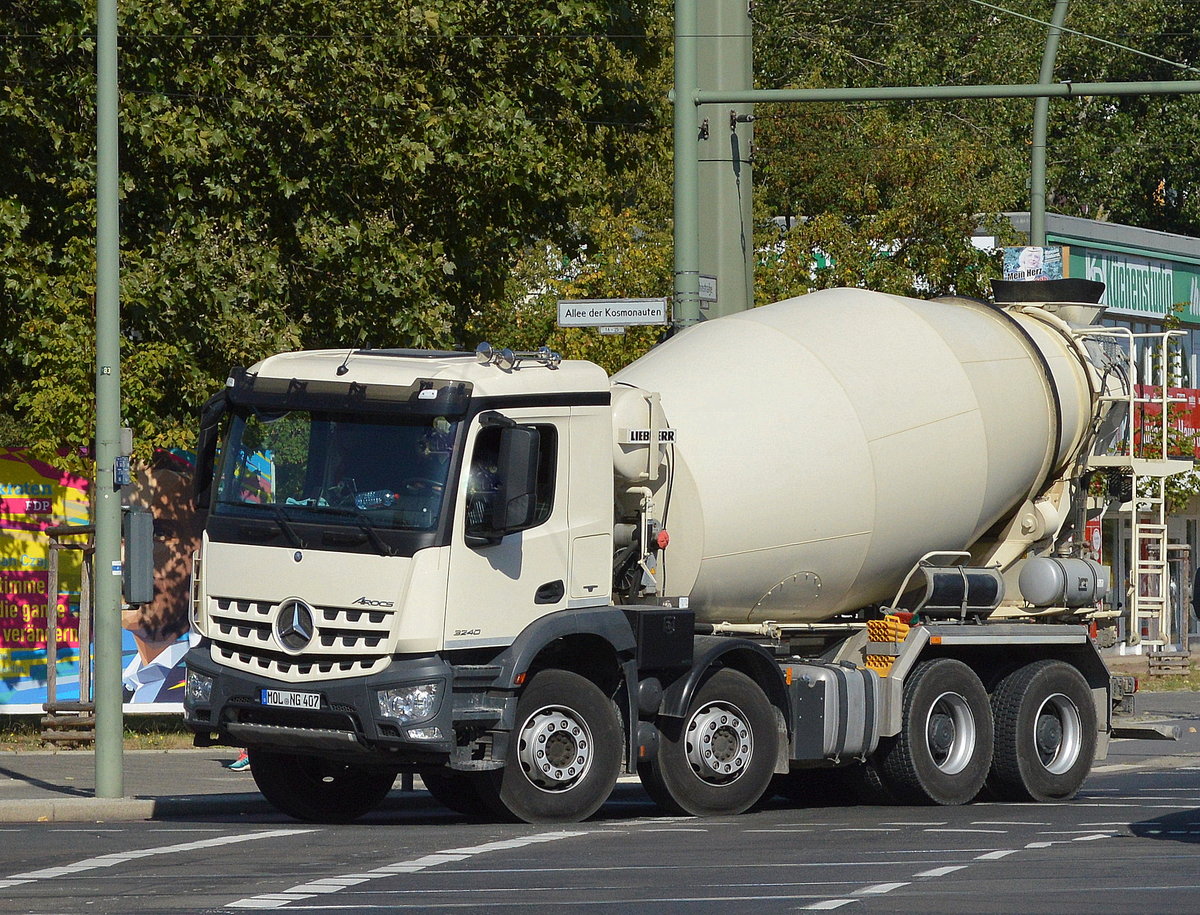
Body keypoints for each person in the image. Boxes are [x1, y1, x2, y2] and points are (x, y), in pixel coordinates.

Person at [120, 452, 206, 704]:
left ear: (199, 548)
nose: (126, 556)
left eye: (157, 534)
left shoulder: (202, 677)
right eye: (119, 531)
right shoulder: (126, 683)